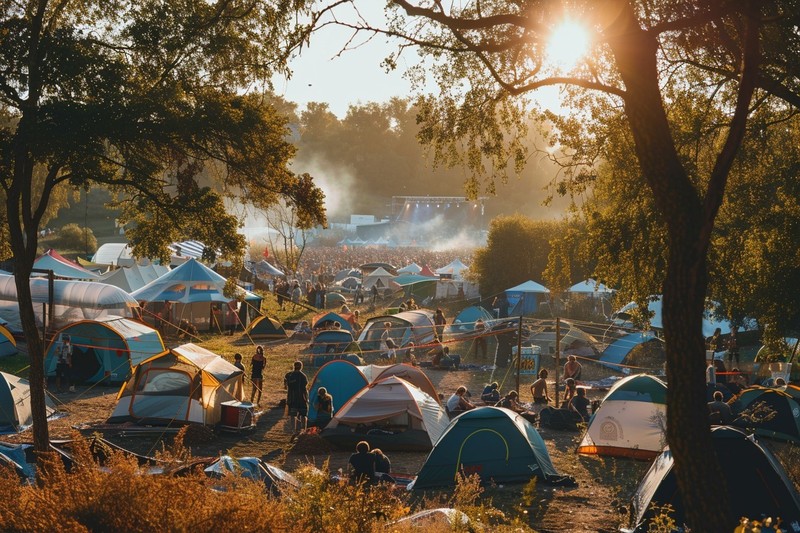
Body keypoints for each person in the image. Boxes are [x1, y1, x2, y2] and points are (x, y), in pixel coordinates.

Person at [285, 360, 309, 432]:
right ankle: (303, 429)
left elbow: (286, 386)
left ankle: (293, 429)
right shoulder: (303, 376)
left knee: (293, 415)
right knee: (303, 415)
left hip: (292, 398)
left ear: (294, 366)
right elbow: (304, 389)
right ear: (301, 367)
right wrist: (307, 399)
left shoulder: (289, 375)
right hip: (301, 398)